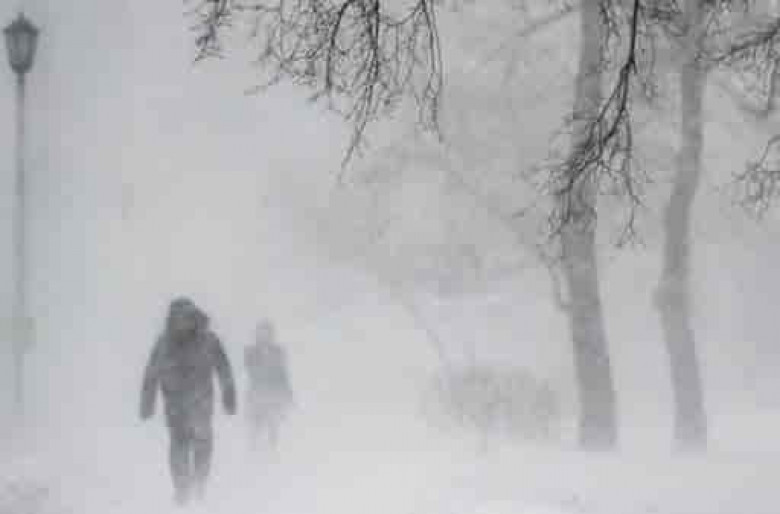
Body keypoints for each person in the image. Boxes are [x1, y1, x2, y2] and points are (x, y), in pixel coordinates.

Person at [139, 297, 237, 506]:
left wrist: (229, 397)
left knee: (203, 445)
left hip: (201, 403)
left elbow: (224, 369)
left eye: (186, 318)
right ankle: (182, 489)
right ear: (171, 319)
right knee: (179, 447)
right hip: (175, 406)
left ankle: (200, 485)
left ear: (194, 318)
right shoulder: (164, 343)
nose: (182, 322)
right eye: (178, 318)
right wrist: (147, 403)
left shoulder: (208, 340)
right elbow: (151, 373)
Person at [244, 319, 293, 450]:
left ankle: (272, 451)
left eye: (266, 333)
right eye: (261, 333)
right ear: (257, 334)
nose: (264, 336)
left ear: (271, 335)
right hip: (257, 394)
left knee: (273, 426)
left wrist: (288, 394)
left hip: (273, 394)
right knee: (255, 427)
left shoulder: (278, 351)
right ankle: (253, 451)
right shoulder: (251, 351)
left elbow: (283, 373)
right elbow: (251, 369)